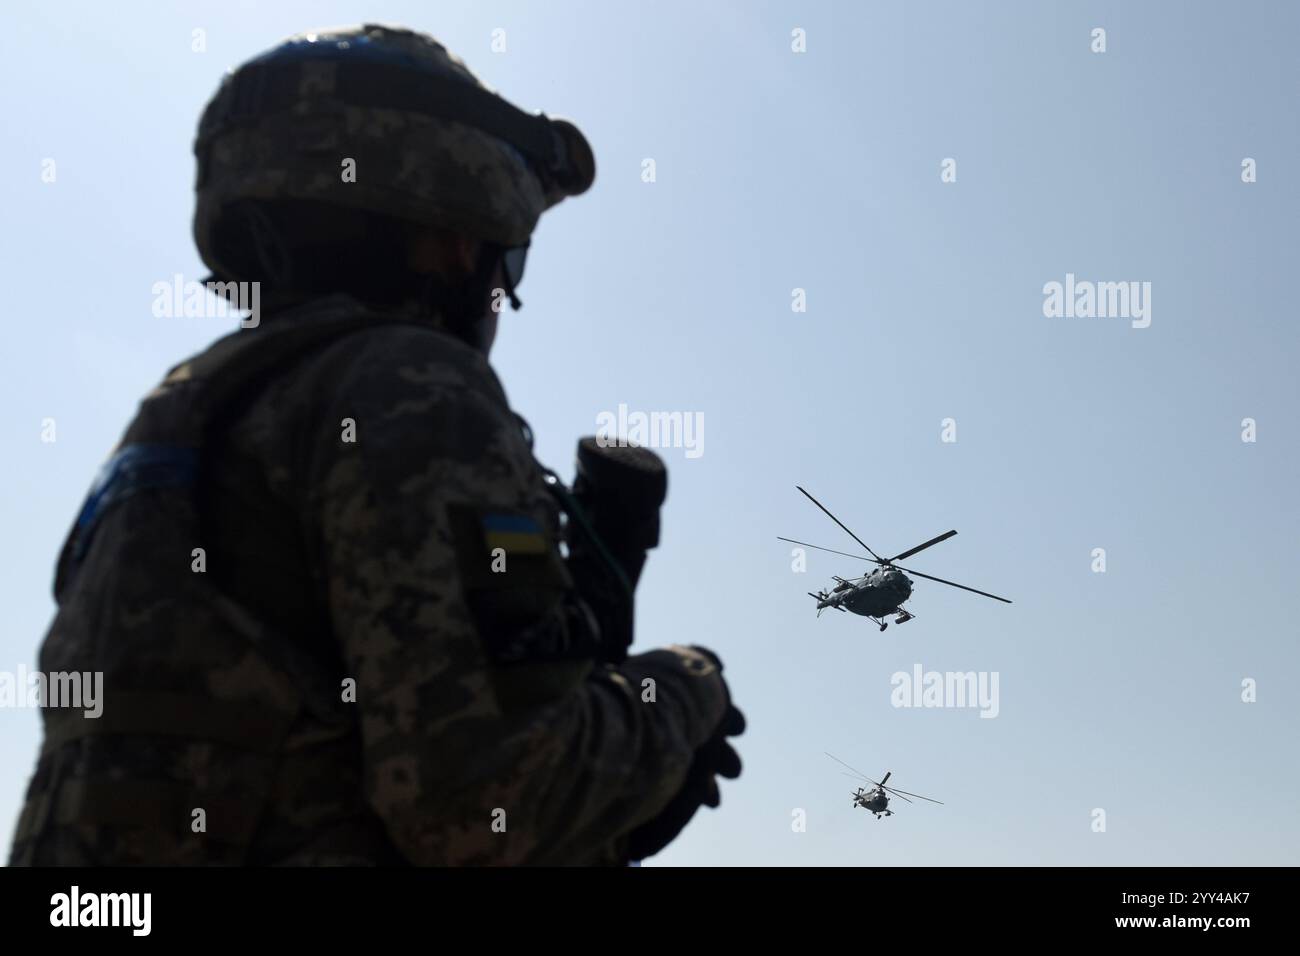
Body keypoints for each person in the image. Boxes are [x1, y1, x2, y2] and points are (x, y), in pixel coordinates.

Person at [8, 24, 742, 866]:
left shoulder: (177, 422)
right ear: (451, 237)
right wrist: (686, 690)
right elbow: (490, 799)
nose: (498, 292)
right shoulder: (407, 382)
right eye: (506, 266)